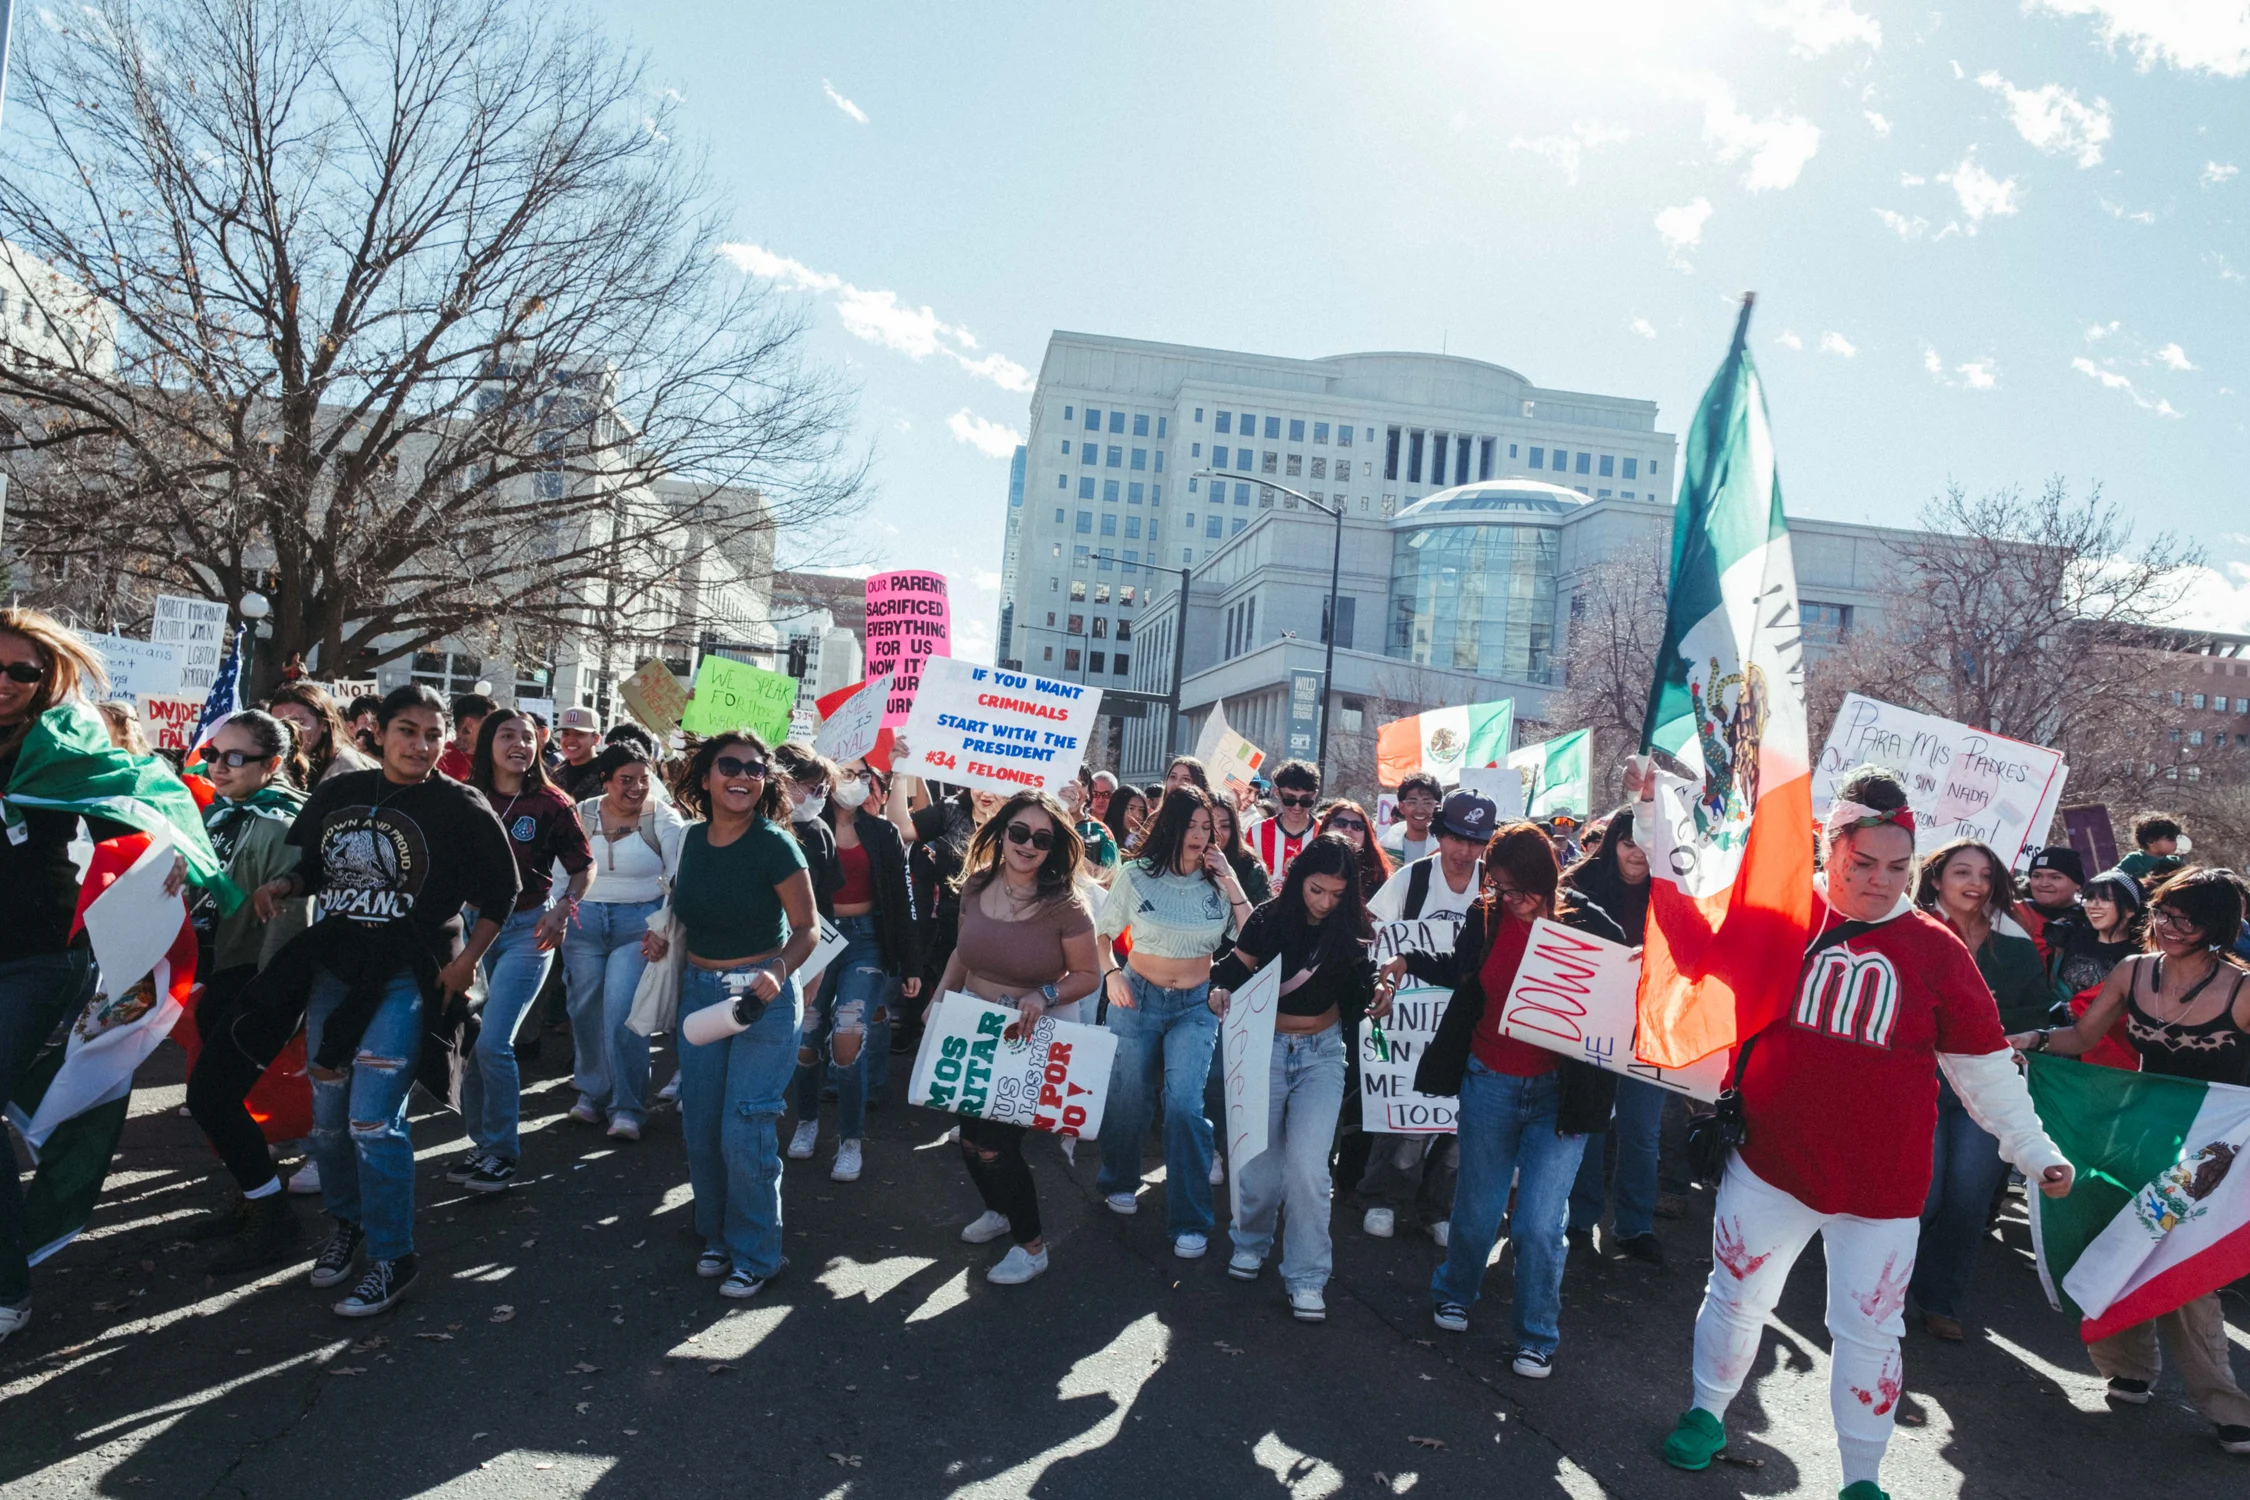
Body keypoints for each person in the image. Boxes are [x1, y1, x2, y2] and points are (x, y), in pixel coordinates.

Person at [1660, 765, 2072, 1498]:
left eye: (1898, 867)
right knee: (1736, 1297)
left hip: (1883, 1186)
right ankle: (1706, 1412)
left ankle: (1861, 1477)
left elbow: (1983, 1067)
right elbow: (1686, 934)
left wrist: (2034, 1149)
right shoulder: (1781, 914)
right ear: (1828, 850)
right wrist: (1649, 813)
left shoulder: (1938, 950)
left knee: (1870, 1331)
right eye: (1864, 863)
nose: (1882, 881)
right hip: (1770, 1164)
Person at [251, 684, 521, 1316]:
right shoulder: (342, 792)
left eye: (433, 734)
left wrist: (466, 961)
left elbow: (501, 893)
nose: (420, 745)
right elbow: (319, 868)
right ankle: (346, 1226)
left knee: (373, 1118)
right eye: (407, 730)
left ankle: (393, 1256)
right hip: (336, 971)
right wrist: (286, 883)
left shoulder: (461, 803)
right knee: (328, 1112)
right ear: (378, 731)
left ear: (449, 739)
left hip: (412, 973)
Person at [0, 611, 208, 1341]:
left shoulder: (67, 743)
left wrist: (173, 852)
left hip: (36, 957)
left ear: (44, 678)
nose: (4, 684)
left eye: (20, 671)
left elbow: (152, 798)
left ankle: (7, 1288)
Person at [2010, 867, 2250, 1455]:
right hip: (2140, 1136)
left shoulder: (2244, 991)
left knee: (2187, 1273)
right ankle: (2129, 1369)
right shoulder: (2132, 971)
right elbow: (2082, 1039)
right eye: (2164, 912)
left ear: (2216, 928)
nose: (2169, 927)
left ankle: (2226, 1407)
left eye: (2186, 919)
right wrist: (2031, 1041)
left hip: (2214, 1153)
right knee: (2108, 1236)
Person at [1411, 821, 1624, 1376]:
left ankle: (1537, 1333)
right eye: (1500, 887)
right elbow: (1462, 975)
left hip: (1560, 1093)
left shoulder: (1589, 924)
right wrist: (1405, 963)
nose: (1511, 899)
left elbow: (1622, 997)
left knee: (1537, 1223)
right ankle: (1455, 1289)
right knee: (1478, 1207)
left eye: (1521, 888)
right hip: (1491, 1082)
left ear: (1547, 877)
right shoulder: (1484, 918)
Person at [1209, 835, 1391, 1322]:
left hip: (1323, 1055)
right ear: (1297, 880)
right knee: (1258, 1164)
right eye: (1316, 890)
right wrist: (1219, 989)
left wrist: (1381, 989)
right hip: (1263, 1048)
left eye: (1336, 894)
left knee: (1310, 1170)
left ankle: (1308, 1275)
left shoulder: (1353, 927)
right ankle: (1251, 1240)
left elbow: (1367, 978)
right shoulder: (1269, 918)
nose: (1325, 902)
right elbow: (1231, 968)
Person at [667, 730, 820, 1299]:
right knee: (702, 1125)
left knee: (746, 1126)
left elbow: (806, 930)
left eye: (754, 769)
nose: (742, 776)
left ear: (766, 782)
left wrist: (778, 971)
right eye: (728, 765)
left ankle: (758, 1253)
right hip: (700, 991)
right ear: (705, 776)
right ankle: (716, 1236)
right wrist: (662, 942)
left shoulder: (776, 844)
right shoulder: (687, 840)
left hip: (764, 997)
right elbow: (684, 911)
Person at [938, 792, 1101, 1283]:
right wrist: (938, 998)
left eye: (1042, 838)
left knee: (995, 1147)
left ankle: (1032, 1247)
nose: (1029, 845)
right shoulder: (976, 887)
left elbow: (1088, 974)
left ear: (1055, 848)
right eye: (1020, 833)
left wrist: (1045, 993)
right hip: (971, 1031)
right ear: (1002, 832)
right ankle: (1000, 1210)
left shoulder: (1066, 906)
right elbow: (962, 954)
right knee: (970, 1142)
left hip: (1027, 1038)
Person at [180, 711, 315, 1272]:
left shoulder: (284, 824)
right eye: (213, 753)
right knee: (223, 1099)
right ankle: (252, 1195)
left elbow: (291, 918)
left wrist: (270, 997)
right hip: (222, 971)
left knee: (209, 1097)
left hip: (262, 981)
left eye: (235, 757)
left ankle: (276, 1218)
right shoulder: (222, 816)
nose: (217, 765)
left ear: (273, 764)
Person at [1095, 786, 1252, 1258]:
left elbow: (1252, 935)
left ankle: (1191, 1219)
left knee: (1184, 1106)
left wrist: (1231, 883)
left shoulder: (1217, 881)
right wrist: (1110, 975)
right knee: (1128, 1094)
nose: (1200, 835)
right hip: (1137, 995)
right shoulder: (1137, 874)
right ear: (1171, 826)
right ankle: (1119, 1178)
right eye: (1192, 825)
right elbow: (1101, 933)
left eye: (1209, 828)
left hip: (1196, 1006)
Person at [1906, 838, 2051, 1341]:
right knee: (1921, 1196)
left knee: (1969, 1198)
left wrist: (1989, 1021)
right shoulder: (1909, 927)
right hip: (1917, 1082)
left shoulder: (2012, 941)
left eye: (1986, 875)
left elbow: (2039, 1010)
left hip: (1987, 1087)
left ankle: (1940, 1299)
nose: (1975, 883)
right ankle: (1884, 1291)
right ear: (1936, 877)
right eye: (1963, 872)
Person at [454, 707, 593, 1192]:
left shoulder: (554, 802)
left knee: (495, 1042)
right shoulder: (465, 797)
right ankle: (482, 1144)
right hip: (471, 930)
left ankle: (502, 1153)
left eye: (528, 738)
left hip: (529, 929)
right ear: (487, 743)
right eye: (508, 735)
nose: (520, 744)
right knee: (472, 1043)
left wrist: (565, 908)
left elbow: (583, 866)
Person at [1356, 790, 1497, 1244]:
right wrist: (1385, 982)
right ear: (1439, 834)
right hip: (1407, 1023)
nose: (1465, 851)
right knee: (1403, 1118)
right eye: (1456, 838)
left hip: (1465, 1023)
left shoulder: (1492, 889)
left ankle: (1437, 1206)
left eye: (1476, 842)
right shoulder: (1412, 879)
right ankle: (1383, 1198)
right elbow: (1379, 939)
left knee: (1456, 1126)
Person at [790, 748, 920, 1183]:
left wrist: (911, 962)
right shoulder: (805, 827)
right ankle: (807, 1121)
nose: (857, 781)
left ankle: (850, 1140)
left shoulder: (882, 833)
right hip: (816, 943)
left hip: (866, 944)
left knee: (849, 1036)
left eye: (864, 775)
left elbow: (902, 902)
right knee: (807, 1039)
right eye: (848, 773)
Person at [1559, 805, 1666, 1265]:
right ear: (1612, 842)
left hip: (1652, 1027)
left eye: (1647, 843)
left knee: (1642, 1130)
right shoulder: (1579, 885)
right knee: (1592, 1122)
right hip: (1593, 1021)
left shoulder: (1675, 891)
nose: (1637, 853)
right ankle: (1580, 1220)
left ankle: (1635, 1226)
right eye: (1628, 842)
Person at [563, 741, 685, 1140]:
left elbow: (678, 877)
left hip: (638, 926)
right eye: (625, 780)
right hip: (583, 923)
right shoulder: (580, 814)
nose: (636, 788)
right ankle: (592, 1093)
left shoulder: (662, 816)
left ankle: (628, 1107)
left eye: (643, 780)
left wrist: (661, 927)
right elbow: (561, 871)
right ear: (605, 780)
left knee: (623, 1015)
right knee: (584, 1011)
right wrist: (558, 911)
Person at [2044, 869, 2144, 1068]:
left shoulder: (2143, 956)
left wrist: (2091, 1012)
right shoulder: (2069, 942)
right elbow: (2050, 988)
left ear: (2130, 909)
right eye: (2090, 898)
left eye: (2105, 899)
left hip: (2111, 1058)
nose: (2094, 905)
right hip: (2059, 1052)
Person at [268, 680, 378, 786]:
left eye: (298, 722)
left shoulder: (349, 769)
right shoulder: (273, 766)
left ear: (324, 723)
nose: (288, 730)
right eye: (279, 724)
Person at [1249, 760, 1321, 879]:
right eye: (1290, 799)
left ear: (1314, 795)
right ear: (1277, 793)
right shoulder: (1256, 833)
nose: (1297, 807)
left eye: (1305, 800)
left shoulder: (1322, 833)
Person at [1316, 799, 1392, 900]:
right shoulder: (1307, 865)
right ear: (1325, 828)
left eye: (1357, 826)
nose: (1348, 829)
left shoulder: (1378, 877)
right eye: (1340, 823)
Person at [2016, 845, 2085, 956]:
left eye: (2055, 877)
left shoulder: (2092, 920)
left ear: (2077, 884)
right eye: (2037, 876)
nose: (2043, 884)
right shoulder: (2013, 914)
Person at [1207, 798, 1273, 909]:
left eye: (1224, 826)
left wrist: (1230, 879)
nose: (1217, 833)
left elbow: (1264, 917)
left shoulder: (1252, 869)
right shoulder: (1186, 862)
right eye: (1209, 826)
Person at [1059, 777, 1119, 876]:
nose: (1074, 789)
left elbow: (1114, 879)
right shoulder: (1042, 824)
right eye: (1070, 781)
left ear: (1089, 793)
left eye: (1082, 784)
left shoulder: (1100, 831)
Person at [1381, 772, 1443, 864]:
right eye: (1412, 802)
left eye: (1427, 803)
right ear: (1401, 807)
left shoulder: (1446, 847)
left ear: (1438, 807)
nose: (1420, 810)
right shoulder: (1386, 847)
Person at [435, 692, 493, 781]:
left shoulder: (493, 759)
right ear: (469, 725)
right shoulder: (441, 760)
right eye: (490, 723)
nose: (496, 728)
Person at [552, 706, 607, 800]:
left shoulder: (608, 776)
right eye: (566, 734)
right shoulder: (554, 775)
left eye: (579, 734)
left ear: (596, 739)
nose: (571, 739)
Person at [2118, 813, 2185, 883]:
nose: (2176, 843)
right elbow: (2115, 878)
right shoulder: (2135, 860)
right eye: (2171, 839)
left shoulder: (2175, 861)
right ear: (2150, 840)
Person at [1102, 783, 1148, 856]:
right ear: (1117, 809)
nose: (1137, 816)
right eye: (1130, 808)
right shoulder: (1102, 837)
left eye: (1141, 810)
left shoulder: (1145, 841)